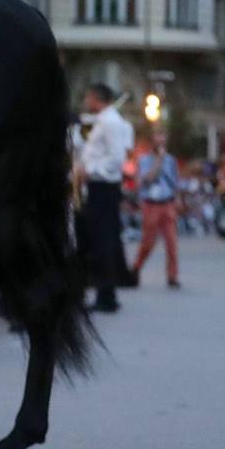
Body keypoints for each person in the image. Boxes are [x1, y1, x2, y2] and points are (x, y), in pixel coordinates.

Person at [74, 84, 134, 313]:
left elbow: (116, 158)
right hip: (97, 187)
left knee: (103, 240)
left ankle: (106, 295)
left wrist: (90, 170)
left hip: (104, 187)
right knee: (96, 240)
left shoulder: (111, 123)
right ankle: (102, 291)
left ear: (95, 97)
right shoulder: (102, 121)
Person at [131, 131, 181, 289]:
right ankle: (136, 268)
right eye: (158, 141)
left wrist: (177, 199)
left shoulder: (171, 160)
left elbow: (175, 182)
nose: (161, 145)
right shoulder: (144, 160)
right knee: (148, 242)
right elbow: (146, 180)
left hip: (167, 203)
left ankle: (172, 276)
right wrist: (159, 161)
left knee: (171, 242)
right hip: (151, 204)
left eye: (163, 142)